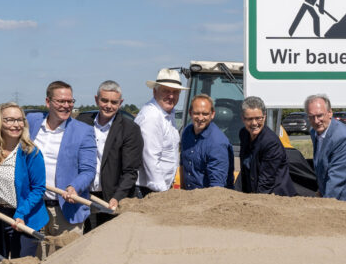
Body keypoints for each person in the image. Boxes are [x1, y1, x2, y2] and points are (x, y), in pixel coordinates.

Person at [27, 81, 96, 258]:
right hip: (34, 208)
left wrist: (74, 187)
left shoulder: (83, 131)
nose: (67, 106)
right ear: (48, 102)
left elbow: (88, 170)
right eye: (61, 101)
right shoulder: (32, 122)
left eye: (70, 101)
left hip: (66, 211)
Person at [0, 103, 48, 264]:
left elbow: (39, 188)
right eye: (9, 120)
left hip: (24, 218)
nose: (15, 124)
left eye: (19, 119)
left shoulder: (31, 152)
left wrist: (20, 213)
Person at [77, 81, 143, 230]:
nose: (109, 105)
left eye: (114, 102)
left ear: (121, 103)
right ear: (96, 99)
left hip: (110, 199)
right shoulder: (82, 122)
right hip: (83, 196)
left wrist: (117, 197)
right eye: (104, 100)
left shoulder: (130, 129)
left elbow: (130, 171)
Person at [134, 68, 186, 196]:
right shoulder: (152, 117)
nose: (171, 96)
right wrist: (163, 193)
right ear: (154, 92)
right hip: (149, 190)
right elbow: (150, 158)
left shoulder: (167, 114)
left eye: (175, 92)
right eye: (166, 91)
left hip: (158, 187)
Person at [239, 96, 296, 196]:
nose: (254, 123)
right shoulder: (243, 134)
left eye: (258, 118)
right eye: (249, 119)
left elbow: (266, 181)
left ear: (264, 117)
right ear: (243, 119)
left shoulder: (271, 143)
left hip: (276, 197)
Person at [181, 94, 234, 190]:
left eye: (205, 114)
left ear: (212, 114)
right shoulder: (186, 132)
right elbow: (183, 165)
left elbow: (217, 187)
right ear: (190, 113)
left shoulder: (217, 143)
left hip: (209, 200)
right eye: (196, 113)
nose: (200, 118)